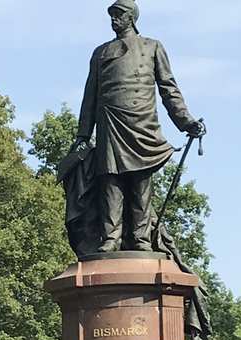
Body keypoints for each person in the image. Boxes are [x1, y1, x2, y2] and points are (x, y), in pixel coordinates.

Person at [73, 0, 206, 252]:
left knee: (140, 181)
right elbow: (90, 96)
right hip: (110, 123)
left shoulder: (152, 47)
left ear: (131, 18)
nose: (113, 19)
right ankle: (110, 237)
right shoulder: (100, 52)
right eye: (111, 15)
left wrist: (186, 121)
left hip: (141, 123)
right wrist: (83, 133)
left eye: (119, 15)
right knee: (110, 180)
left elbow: (169, 89)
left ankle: (141, 238)